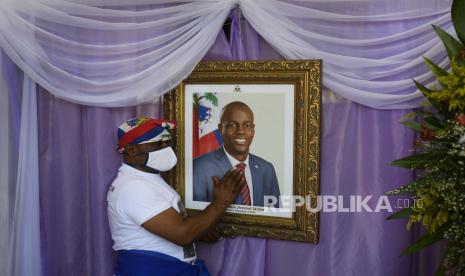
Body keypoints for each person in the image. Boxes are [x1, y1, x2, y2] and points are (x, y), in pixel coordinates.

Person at [107, 117, 244, 275]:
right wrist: (220, 203)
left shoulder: (147, 179)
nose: (166, 148)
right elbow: (182, 234)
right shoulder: (134, 187)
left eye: (167, 142)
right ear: (131, 150)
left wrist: (198, 233)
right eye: (159, 144)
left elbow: (162, 231)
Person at [193, 101, 281, 207]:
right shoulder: (199, 167)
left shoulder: (267, 168)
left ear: (253, 130)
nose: (241, 131)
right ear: (221, 129)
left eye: (247, 125)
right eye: (232, 125)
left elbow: (275, 214)